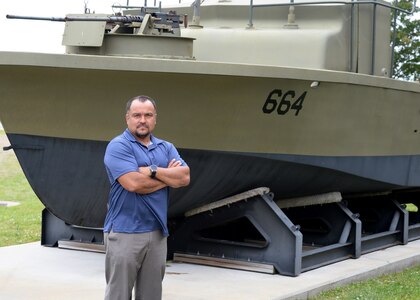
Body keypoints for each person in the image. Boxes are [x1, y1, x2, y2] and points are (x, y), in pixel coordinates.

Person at [103, 95, 190, 300]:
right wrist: (168, 177)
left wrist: (151, 171)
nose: (143, 120)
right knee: (119, 295)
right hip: (125, 232)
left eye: (148, 115)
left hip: (157, 234)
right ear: (128, 118)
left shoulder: (166, 147)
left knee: (152, 295)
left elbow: (184, 177)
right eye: (137, 115)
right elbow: (134, 184)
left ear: (155, 119)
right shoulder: (118, 146)